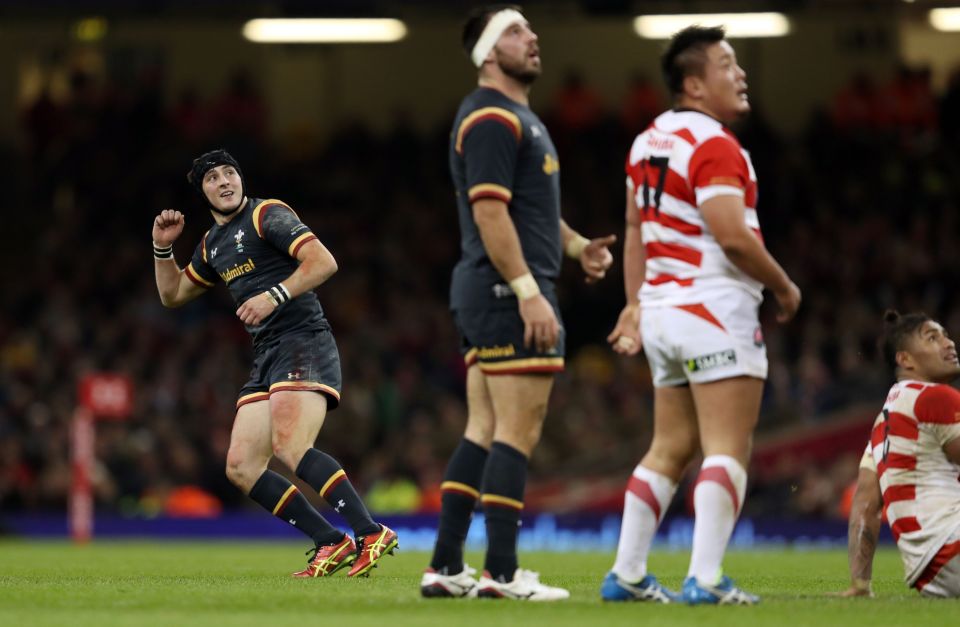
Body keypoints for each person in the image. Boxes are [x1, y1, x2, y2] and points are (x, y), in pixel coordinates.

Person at [419, 5, 615, 602]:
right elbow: (489, 212)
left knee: (484, 427)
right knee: (518, 431)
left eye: (531, 29)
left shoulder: (512, 118)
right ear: (484, 52)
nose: (531, 38)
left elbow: (529, 210)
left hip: (489, 289)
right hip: (506, 291)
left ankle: (446, 567)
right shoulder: (490, 119)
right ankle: (501, 574)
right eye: (514, 31)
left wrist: (577, 246)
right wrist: (530, 291)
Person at [601, 25, 801, 605]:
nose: (740, 75)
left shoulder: (646, 143)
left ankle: (628, 574)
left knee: (671, 446)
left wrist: (634, 305)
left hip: (663, 313)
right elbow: (733, 238)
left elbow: (637, 231)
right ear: (693, 84)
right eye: (727, 64)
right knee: (726, 447)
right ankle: (707, 578)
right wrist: (784, 286)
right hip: (713, 309)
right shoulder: (715, 145)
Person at [151, 149, 397, 578]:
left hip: (303, 341)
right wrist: (162, 247)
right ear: (202, 192)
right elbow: (172, 295)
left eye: (231, 173)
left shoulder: (267, 214)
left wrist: (275, 295)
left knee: (291, 446)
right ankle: (330, 541)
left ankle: (370, 531)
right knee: (241, 466)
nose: (225, 182)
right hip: (267, 353)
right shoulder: (212, 244)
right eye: (213, 178)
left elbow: (323, 261)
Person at [839, 310, 960, 599]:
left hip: (932, 576)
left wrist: (860, 584)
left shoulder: (884, 422)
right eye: (933, 338)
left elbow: (865, 505)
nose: (949, 343)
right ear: (905, 359)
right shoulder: (935, 397)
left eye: (946, 335)